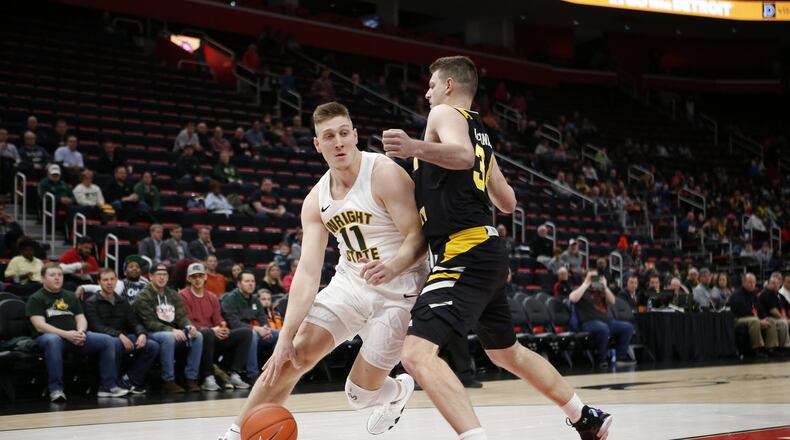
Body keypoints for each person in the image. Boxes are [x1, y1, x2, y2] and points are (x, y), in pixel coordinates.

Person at [382, 56, 611, 440]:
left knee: (416, 353)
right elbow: (507, 202)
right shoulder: (482, 134)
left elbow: (463, 157)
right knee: (506, 353)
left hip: (465, 250)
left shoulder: (443, 114)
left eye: (433, 83)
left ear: (450, 86)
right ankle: (584, 416)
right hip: (485, 250)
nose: (427, 91)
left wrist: (413, 147)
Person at [218, 102, 427, 440]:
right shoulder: (316, 199)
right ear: (318, 144)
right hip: (351, 284)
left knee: (358, 396)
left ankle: (398, 392)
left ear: (356, 135)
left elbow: (418, 240)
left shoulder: (384, 173)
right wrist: (284, 337)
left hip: (398, 293)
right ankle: (234, 433)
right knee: (290, 357)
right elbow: (307, 272)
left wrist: (392, 266)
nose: (339, 142)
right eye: (329, 136)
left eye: (345, 133)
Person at [26, 263, 128, 402]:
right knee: (53, 340)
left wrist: (81, 332)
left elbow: (80, 318)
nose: (57, 278)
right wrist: (67, 334)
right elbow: (40, 326)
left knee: (108, 340)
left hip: (74, 336)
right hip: (49, 339)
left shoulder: (70, 296)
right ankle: (56, 389)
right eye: (52, 275)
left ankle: (107, 387)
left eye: (60, 275)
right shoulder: (36, 298)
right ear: (43, 278)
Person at [84, 268, 160, 394]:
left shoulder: (122, 301)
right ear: (99, 282)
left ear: (116, 281)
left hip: (123, 337)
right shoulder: (91, 302)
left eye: (112, 279)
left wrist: (141, 333)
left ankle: (130, 380)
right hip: (104, 339)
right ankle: (108, 385)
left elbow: (134, 322)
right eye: (105, 280)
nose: (109, 283)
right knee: (115, 343)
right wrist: (118, 335)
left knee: (152, 346)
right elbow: (96, 326)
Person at [133, 263, 204, 393]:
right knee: (168, 337)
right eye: (159, 275)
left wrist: (189, 326)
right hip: (151, 333)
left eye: (165, 275)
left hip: (173, 332)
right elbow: (150, 323)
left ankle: (191, 379)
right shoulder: (143, 296)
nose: (162, 278)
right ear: (150, 276)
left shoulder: (172, 294)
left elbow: (182, 316)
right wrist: (172, 330)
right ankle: (168, 380)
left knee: (197, 336)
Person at [180, 262, 251, 391]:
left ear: (205, 277)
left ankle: (235, 373)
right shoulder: (183, 296)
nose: (197, 279)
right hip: (197, 335)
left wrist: (223, 327)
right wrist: (212, 330)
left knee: (246, 332)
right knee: (206, 333)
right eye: (194, 276)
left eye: (200, 276)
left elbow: (218, 319)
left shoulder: (212, 297)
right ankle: (208, 377)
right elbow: (186, 321)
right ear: (188, 278)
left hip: (214, 334)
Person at [219, 271, 278, 382]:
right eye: (247, 281)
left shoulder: (255, 299)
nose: (251, 284)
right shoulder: (230, 299)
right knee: (251, 334)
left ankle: (276, 372)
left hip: (254, 331)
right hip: (234, 334)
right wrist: (257, 329)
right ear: (239, 284)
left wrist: (266, 329)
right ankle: (253, 375)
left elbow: (263, 318)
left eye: (252, 281)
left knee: (278, 334)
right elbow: (234, 323)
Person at [570, 270, 635, 367]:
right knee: (603, 328)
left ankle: (621, 357)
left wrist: (605, 286)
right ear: (585, 278)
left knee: (627, 327)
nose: (594, 279)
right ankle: (602, 359)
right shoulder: (581, 289)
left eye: (596, 277)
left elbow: (612, 301)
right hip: (588, 323)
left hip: (607, 322)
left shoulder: (601, 290)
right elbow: (572, 298)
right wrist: (586, 283)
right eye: (592, 277)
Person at [730, 273, 779, 357]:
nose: (752, 284)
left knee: (770, 320)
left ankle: (770, 348)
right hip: (738, 319)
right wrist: (760, 321)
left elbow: (760, 309)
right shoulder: (737, 295)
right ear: (743, 282)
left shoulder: (753, 294)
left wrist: (764, 318)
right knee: (755, 321)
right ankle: (757, 348)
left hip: (753, 318)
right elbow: (743, 311)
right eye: (750, 282)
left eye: (754, 282)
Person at [76, 255, 150, 304]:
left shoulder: (146, 284)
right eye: (131, 267)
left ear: (140, 271)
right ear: (125, 272)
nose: (134, 269)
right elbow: (101, 288)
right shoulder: (120, 284)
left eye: (137, 267)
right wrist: (83, 287)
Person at [758, 273, 790, 350]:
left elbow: (788, 308)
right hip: (768, 317)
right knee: (783, 323)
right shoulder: (766, 294)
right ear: (768, 284)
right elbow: (773, 311)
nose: (775, 285)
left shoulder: (779, 295)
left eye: (777, 283)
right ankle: (785, 347)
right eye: (773, 283)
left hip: (777, 318)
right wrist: (784, 319)